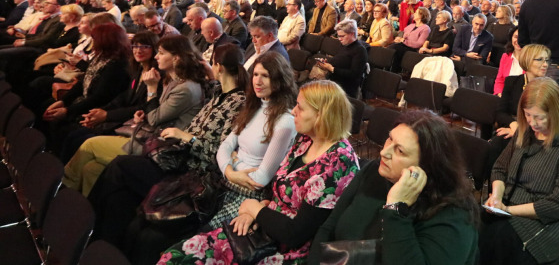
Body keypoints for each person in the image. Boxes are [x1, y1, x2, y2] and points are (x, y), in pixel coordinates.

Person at [159, 80, 360, 265]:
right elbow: (278, 187)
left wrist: (255, 209)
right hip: (266, 226)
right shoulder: (306, 140)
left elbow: (295, 234)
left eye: (300, 107)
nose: (293, 112)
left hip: (286, 250)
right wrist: (260, 209)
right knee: (174, 255)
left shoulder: (338, 161)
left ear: (321, 115)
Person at [88, 42, 248, 255]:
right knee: (119, 198)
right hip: (176, 159)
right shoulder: (217, 92)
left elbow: (218, 154)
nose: (156, 57)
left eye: (162, 53)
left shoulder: (238, 103)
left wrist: (185, 137)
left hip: (190, 173)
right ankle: (96, 245)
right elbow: (207, 82)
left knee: (118, 167)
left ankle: (85, 228)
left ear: (218, 65)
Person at [308, 110, 479, 265]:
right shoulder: (374, 171)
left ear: (426, 166)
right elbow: (329, 227)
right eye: (390, 138)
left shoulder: (454, 213)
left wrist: (396, 208)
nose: (384, 152)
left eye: (400, 151)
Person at [62, 34, 205, 196]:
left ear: (176, 58)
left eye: (162, 53)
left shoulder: (185, 88)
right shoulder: (172, 81)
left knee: (89, 145)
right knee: (91, 169)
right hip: (149, 136)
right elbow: (150, 111)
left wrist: (151, 89)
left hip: (160, 147)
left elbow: (154, 118)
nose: (157, 56)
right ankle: (85, 210)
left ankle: (60, 190)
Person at [480, 77, 559, 265]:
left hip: (544, 221)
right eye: (528, 115)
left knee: (498, 242)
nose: (532, 122)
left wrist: (508, 209)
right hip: (508, 206)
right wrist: (496, 196)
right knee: (472, 231)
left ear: (556, 113)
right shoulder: (525, 132)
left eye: (539, 117)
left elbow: (557, 206)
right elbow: (499, 168)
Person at [208, 52, 298, 228]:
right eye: (255, 74)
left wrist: (234, 160)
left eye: (265, 76)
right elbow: (225, 146)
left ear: (279, 80)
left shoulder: (285, 121)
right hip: (226, 181)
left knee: (202, 234)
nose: (257, 81)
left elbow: (260, 179)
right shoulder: (253, 106)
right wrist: (230, 172)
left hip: (249, 195)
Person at [41, 23, 133, 148]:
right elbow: (83, 82)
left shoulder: (117, 65)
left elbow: (100, 97)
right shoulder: (101, 57)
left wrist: (67, 111)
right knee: (46, 105)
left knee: (62, 127)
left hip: (99, 108)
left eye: (95, 39)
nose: (92, 42)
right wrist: (63, 101)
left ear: (104, 41)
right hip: (87, 100)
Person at [495, 44, 550, 140]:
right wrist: (514, 125)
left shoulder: (550, 88)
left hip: (536, 134)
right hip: (511, 127)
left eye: (546, 60)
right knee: (496, 143)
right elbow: (500, 113)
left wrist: (520, 131)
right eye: (540, 59)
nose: (545, 64)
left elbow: (548, 122)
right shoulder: (511, 81)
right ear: (527, 61)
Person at [315, 19, 367, 99]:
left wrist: (332, 68)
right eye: (338, 36)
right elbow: (340, 61)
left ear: (352, 34)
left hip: (345, 88)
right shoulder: (344, 45)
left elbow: (354, 75)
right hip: (334, 83)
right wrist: (327, 64)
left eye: (342, 36)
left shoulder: (360, 50)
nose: (339, 39)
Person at [494, 27, 524, 96]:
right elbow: (499, 80)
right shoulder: (505, 56)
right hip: (504, 96)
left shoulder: (531, 60)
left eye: (522, 38)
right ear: (511, 38)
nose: (518, 40)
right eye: (516, 37)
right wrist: (500, 94)